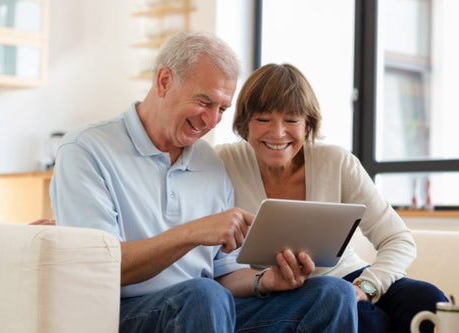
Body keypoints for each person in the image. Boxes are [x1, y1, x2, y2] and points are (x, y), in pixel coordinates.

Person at [50, 33, 358, 332]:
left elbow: (224, 274)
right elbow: (99, 268)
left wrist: (265, 281)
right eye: (204, 102)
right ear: (164, 81)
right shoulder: (86, 149)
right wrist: (192, 233)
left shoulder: (209, 162)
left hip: (208, 309)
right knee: (203, 295)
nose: (212, 121)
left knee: (332, 293)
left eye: (222, 109)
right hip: (125, 312)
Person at [216, 63, 448, 333]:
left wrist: (367, 286)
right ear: (244, 123)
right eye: (263, 119)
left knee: (428, 301)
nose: (278, 133)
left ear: (307, 125)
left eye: (291, 120)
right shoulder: (222, 162)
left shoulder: (336, 161)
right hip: (282, 291)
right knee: (367, 321)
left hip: (349, 278)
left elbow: (398, 239)